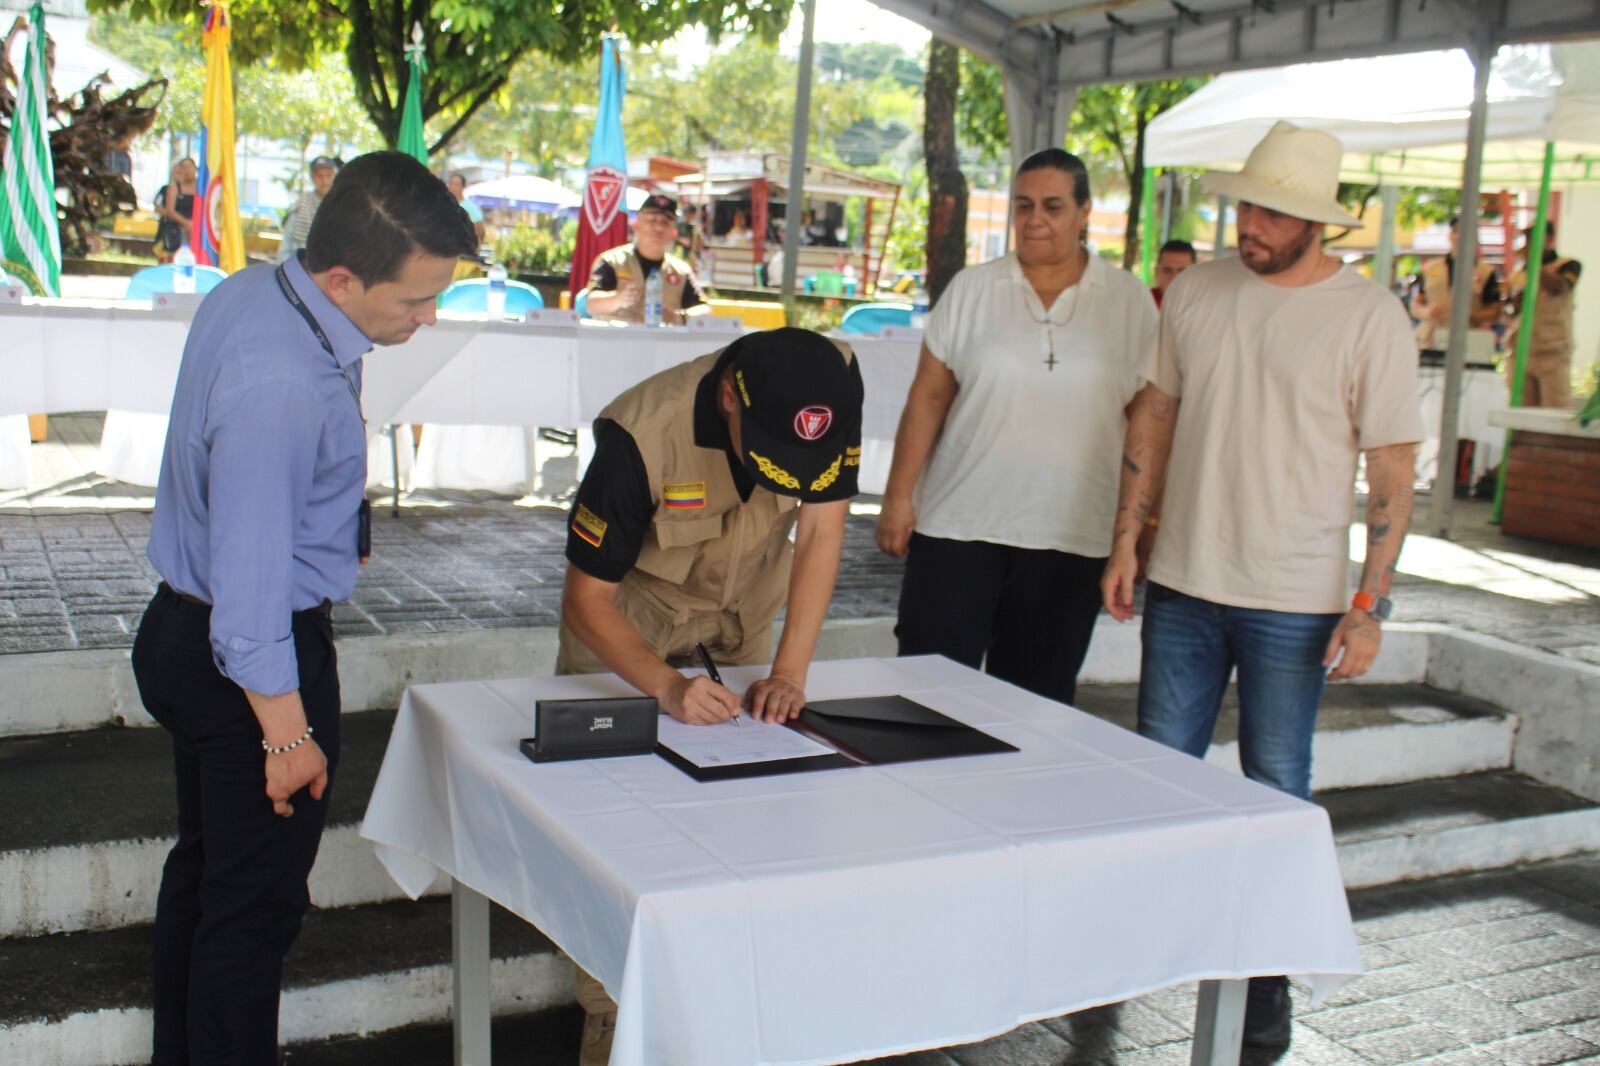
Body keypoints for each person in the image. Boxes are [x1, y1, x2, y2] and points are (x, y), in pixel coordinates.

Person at [131, 151, 477, 1066]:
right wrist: (286, 738)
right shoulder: (282, 383)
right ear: (341, 277)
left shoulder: (258, 294)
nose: (427, 317)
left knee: (207, 880)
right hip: (248, 658)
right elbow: (247, 613)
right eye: (414, 301)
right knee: (252, 915)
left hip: (187, 625)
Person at [1102, 120, 1422, 1050]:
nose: (1249, 222)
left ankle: (1267, 971)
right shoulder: (1197, 290)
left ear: (1314, 222)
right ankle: (1151, 944)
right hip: (1186, 579)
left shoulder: (1370, 317)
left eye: (1271, 211)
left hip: (1298, 596)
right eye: (1245, 203)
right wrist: (1127, 539)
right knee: (1160, 772)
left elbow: (1393, 474)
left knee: (1279, 786)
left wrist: (1369, 605)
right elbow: (1154, 415)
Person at [558, 327, 863, 1065]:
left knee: (747, 810)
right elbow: (585, 599)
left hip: (740, 615)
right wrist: (665, 687)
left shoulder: (832, 386)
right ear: (729, 398)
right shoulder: (640, 432)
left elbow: (821, 531)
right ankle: (609, 1011)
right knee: (615, 823)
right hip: (630, 626)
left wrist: (789, 671)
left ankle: (724, 997)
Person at [875, 148, 1157, 706]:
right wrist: (897, 497)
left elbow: (1148, 420)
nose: (1035, 219)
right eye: (1023, 205)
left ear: (1084, 212)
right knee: (926, 698)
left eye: (1053, 206)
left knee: (1034, 709)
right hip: (959, 526)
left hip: (1071, 533)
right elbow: (928, 398)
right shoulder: (972, 289)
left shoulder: (1128, 301)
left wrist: (1142, 524)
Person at [579, 192, 708, 324]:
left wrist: (680, 317)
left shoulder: (681, 271)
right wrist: (619, 299)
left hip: (662, 342)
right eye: (651, 220)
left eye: (665, 222)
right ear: (636, 226)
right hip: (617, 340)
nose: (658, 227)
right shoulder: (612, 261)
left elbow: (704, 309)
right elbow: (591, 304)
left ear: (673, 233)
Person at [1507, 221, 1583, 408]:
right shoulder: (1519, 273)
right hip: (1521, 350)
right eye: (1527, 238)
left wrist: (1535, 264)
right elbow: (1511, 308)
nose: (1529, 242)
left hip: (1553, 351)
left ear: (1549, 238)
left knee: (1555, 408)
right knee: (1521, 409)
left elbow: (1559, 287)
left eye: (1534, 237)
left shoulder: (1568, 265)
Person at [1413, 216, 1502, 348]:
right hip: (1430, 338)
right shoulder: (1431, 268)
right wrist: (1426, 312)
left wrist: (1471, 316)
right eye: (1457, 231)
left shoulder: (1486, 272)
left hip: (1468, 340)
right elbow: (1417, 303)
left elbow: (1495, 311)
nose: (1461, 237)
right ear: (1450, 235)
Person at [278, 156, 341, 263]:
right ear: (312, 177)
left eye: (329, 175)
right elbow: (285, 248)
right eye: (319, 176)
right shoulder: (301, 205)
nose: (324, 180)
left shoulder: (342, 206)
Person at [153, 157, 197, 263]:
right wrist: (187, 223)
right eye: (184, 168)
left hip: (196, 230)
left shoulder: (201, 187)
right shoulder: (172, 188)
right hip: (176, 230)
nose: (187, 170)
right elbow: (167, 210)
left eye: (189, 167)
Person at [1151, 238, 1197, 308]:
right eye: (1167, 271)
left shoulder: (1204, 305)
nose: (1174, 278)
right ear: (1156, 272)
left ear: (1195, 275)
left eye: (1182, 272)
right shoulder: (1142, 302)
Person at [446, 170, 487, 245]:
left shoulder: (471, 208)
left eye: (456, 184)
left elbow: (480, 231)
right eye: (450, 184)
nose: (452, 187)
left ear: (463, 187)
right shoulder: (443, 205)